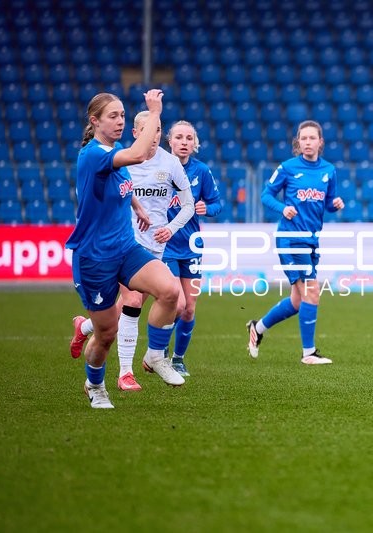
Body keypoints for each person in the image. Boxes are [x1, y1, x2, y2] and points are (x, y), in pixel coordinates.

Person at [66, 90, 183, 409]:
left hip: (126, 247)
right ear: (95, 121)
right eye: (113, 116)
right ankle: (94, 384)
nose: (119, 121)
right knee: (106, 334)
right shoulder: (93, 155)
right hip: (95, 257)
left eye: (121, 115)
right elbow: (140, 154)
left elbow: (121, 183)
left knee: (170, 291)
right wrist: (155, 113)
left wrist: (137, 207)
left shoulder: (113, 149)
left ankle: (155, 355)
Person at [246, 120, 344, 364]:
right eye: (303, 138)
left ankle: (257, 328)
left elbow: (328, 203)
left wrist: (335, 204)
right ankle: (308, 353)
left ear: (320, 142)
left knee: (297, 301)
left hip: (311, 240)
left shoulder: (329, 170)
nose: (308, 142)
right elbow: (266, 195)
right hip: (290, 240)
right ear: (298, 142)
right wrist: (283, 208)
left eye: (312, 138)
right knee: (312, 292)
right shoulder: (288, 168)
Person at [162, 120, 222, 378]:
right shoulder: (160, 167)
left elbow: (217, 203)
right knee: (176, 303)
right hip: (165, 246)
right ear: (170, 141)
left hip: (192, 246)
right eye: (179, 137)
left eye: (189, 138)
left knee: (189, 307)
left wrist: (207, 208)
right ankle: (159, 349)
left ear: (195, 143)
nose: (184, 142)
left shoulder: (201, 171)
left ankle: (178, 359)